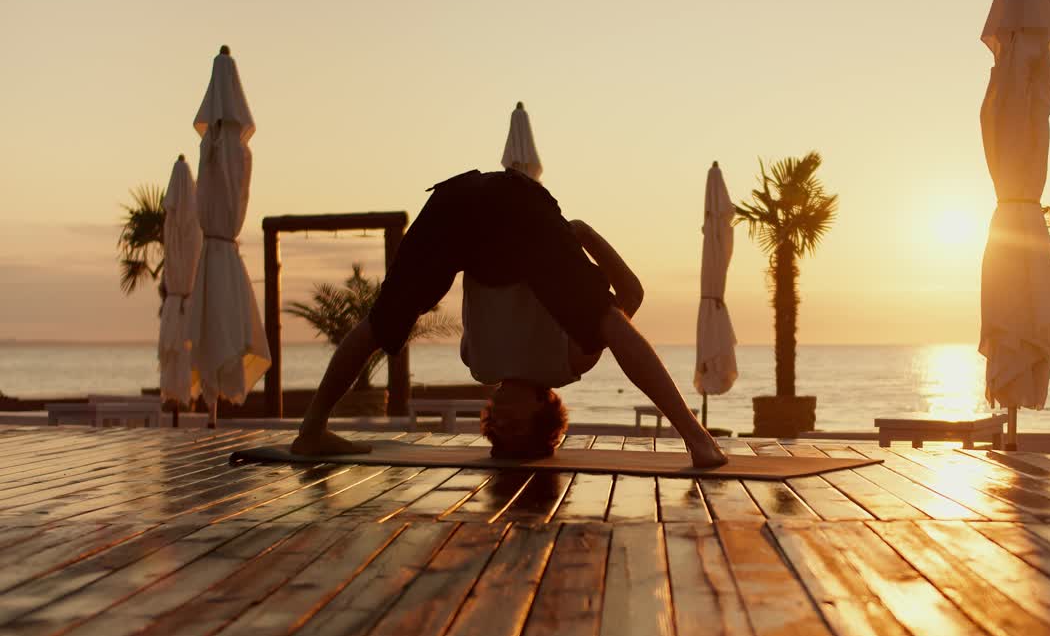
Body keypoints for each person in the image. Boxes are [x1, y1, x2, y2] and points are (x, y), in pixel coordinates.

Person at [290, 168, 727, 468]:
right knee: (607, 319)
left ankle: (311, 433)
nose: (498, 418)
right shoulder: (570, 361)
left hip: (456, 206)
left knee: (384, 322)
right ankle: (696, 438)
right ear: (544, 406)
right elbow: (632, 294)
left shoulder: (477, 363)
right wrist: (587, 237)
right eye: (514, 425)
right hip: (520, 209)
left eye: (494, 428)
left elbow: (475, 290)